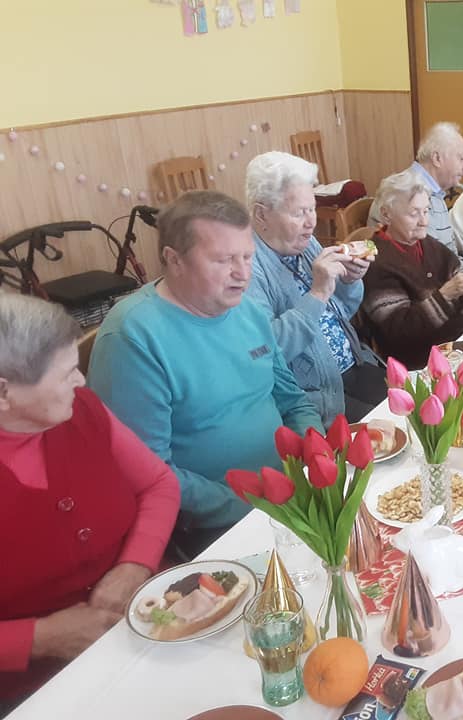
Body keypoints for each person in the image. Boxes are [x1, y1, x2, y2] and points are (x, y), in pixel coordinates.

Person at [87, 190, 323, 558]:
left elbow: (292, 400)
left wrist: (314, 451)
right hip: (218, 525)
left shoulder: (246, 310)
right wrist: (256, 502)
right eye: (223, 260)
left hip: (290, 492)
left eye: (247, 257)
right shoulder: (133, 338)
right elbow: (149, 473)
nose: (242, 274)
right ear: (174, 260)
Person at [0, 295, 179, 709]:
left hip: (150, 614)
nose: (81, 382)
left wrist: (134, 564)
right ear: (4, 393)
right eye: (67, 374)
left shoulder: (81, 409)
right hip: (38, 686)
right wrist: (40, 638)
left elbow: (158, 484)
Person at [244, 151, 385, 425]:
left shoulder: (304, 243)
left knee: (419, 403)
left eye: (312, 209)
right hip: (317, 397)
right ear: (261, 214)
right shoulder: (246, 269)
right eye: (299, 213)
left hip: (354, 364)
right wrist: (318, 293)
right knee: (397, 426)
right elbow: (267, 353)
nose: (312, 222)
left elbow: (343, 310)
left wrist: (349, 281)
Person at [360, 170, 463, 369]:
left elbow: (457, 281)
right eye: (414, 213)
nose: (424, 221)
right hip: (424, 360)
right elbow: (398, 333)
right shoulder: (377, 262)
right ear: (386, 214)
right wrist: (445, 295)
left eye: (426, 211)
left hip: (462, 338)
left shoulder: (425, 243)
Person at [368, 122, 463, 276]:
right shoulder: (409, 194)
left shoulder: (435, 193)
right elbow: (431, 269)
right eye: (461, 158)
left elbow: (448, 259)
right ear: (437, 158)